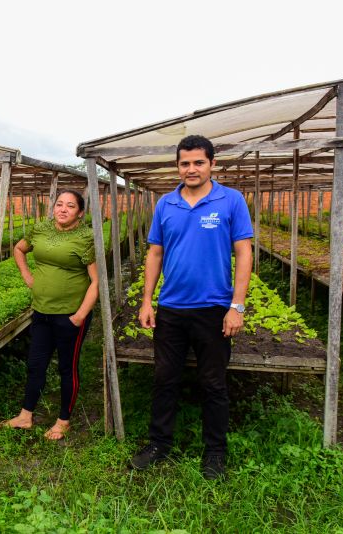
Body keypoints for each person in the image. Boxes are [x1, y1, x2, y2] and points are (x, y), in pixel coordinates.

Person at [129, 135, 253, 480]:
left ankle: (215, 452)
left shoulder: (231, 200)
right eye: (185, 163)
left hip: (214, 308)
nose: (191, 169)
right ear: (178, 166)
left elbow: (244, 253)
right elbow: (155, 253)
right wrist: (147, 301)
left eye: (198, 162)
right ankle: (159, 443)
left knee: (213, 383)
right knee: (164, 378)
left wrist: (237, 306)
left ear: (212, 163)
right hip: (171, 308)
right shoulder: (166, 204)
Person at [0, 190, 98, 440]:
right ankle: (25, 415)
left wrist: (79, 316)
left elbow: (97, 281)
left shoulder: (87, 237)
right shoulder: (40, 229)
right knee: (35, 365)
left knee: (67, 368)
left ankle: (63, 420)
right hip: (41, 311)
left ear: (80, 212)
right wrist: (28, 277)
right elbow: (19, 250)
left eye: (70, 206)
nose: (63, 209)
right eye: (59, 204)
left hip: (70, 315)